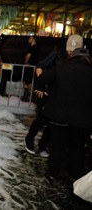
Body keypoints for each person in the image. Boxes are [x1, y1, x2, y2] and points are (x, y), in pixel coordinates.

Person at [35, 47, 92, 185]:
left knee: (57, 147)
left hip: (59, 116)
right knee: (77, 149)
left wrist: (44, 90)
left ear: (72, 57)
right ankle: (74, 178)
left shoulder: (62, 68)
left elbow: (42, 78)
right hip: (83, 120)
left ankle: (53, 176)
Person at [24, 34, 83, 157]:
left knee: (55, 122)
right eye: (69, 51)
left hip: (64, 95)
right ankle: (29, 139)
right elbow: (40, 66)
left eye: (73, 51)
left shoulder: (82, 59)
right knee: (43, 118)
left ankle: (42, 145)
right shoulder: (57, 54)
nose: (70, 54)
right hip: (50, 93)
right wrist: (41, 85)